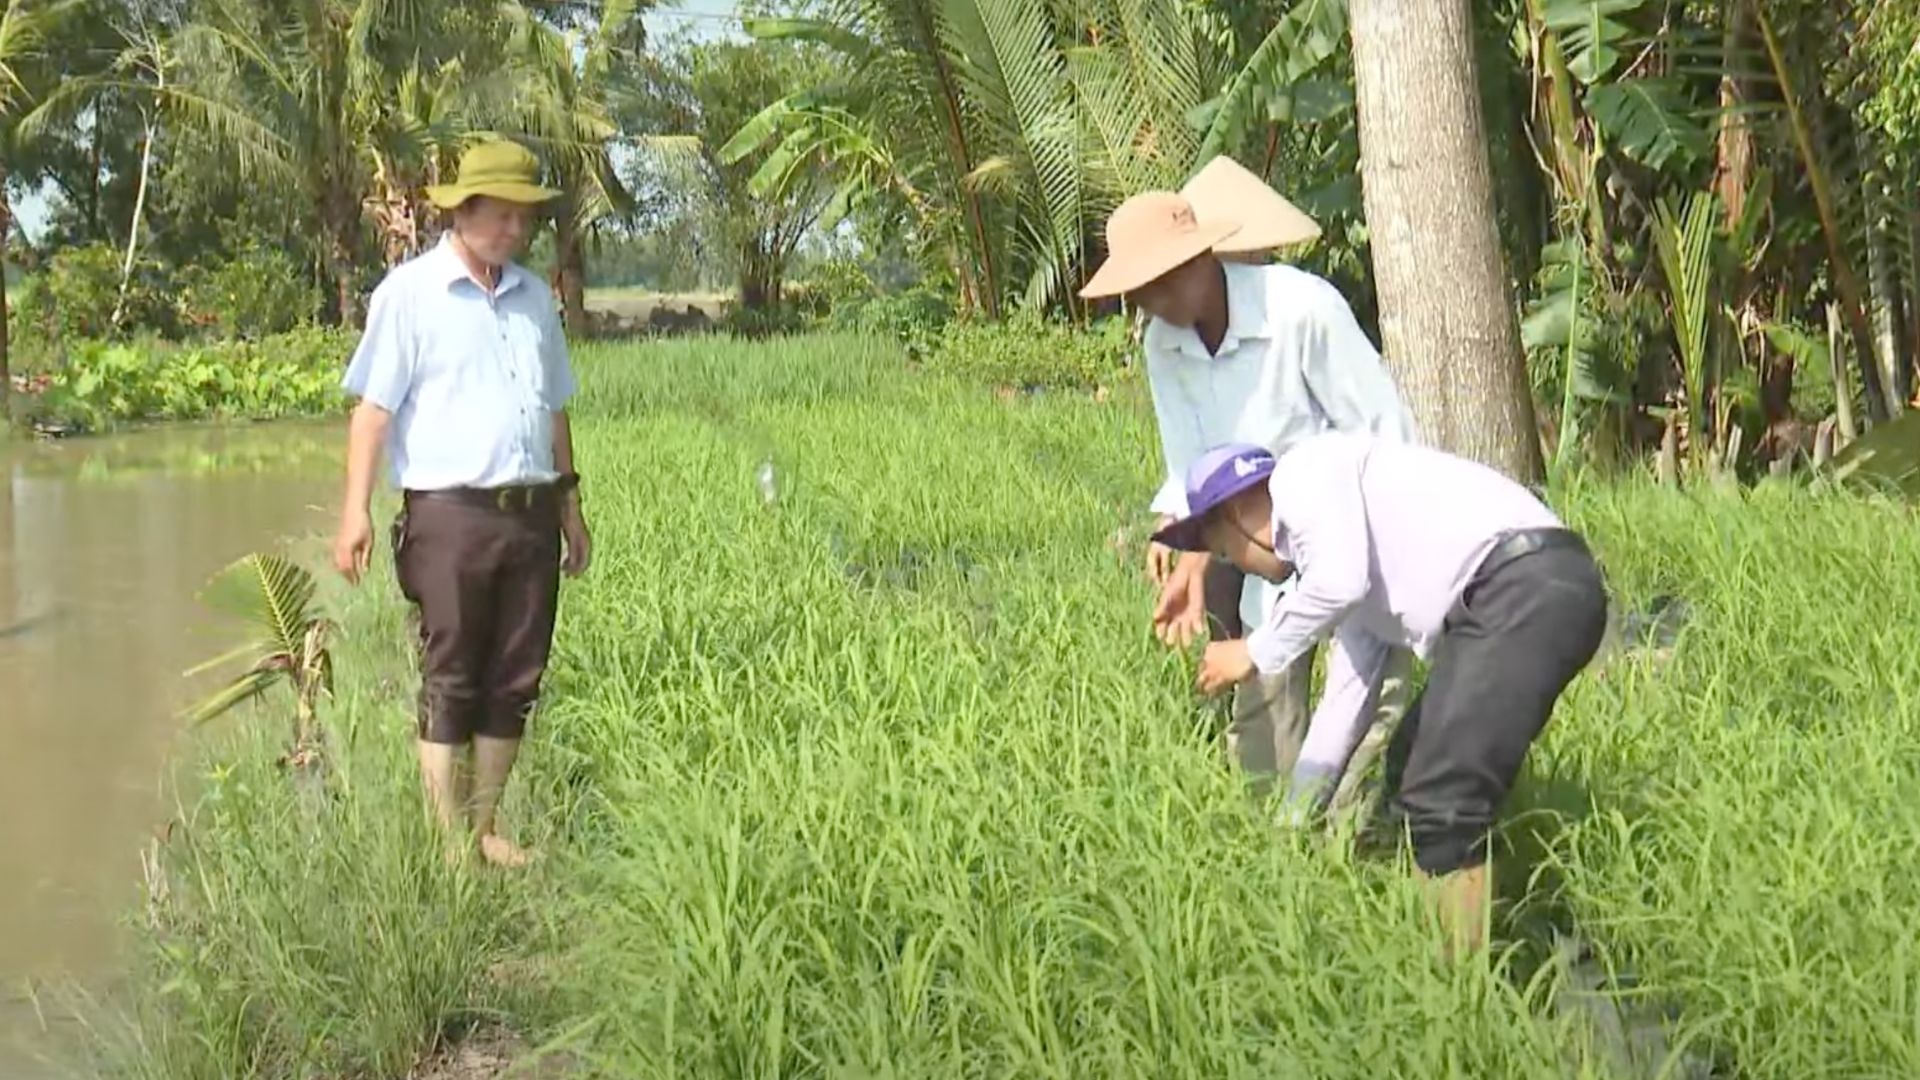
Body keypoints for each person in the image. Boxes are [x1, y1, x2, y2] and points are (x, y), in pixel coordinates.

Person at [1152, 436, 1609, 953]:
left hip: (1524, 585)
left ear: (1235, 511)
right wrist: (1292, 821)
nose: (1239, 565)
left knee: (1441, 796)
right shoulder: (1339, 548)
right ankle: (1509, 932)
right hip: (1512, 599)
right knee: (1411, 763)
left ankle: (1458, 991)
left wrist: (1252, 651)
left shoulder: (1303, 476)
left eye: (1224, 552)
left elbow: (1337, 585)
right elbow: (1347, 698)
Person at [1077, 169, 1417, 796]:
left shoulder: (1301, 311)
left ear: (1204, 256)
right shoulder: (1163, 345)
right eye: (1142, 290)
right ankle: (1282, 860)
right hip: (1263, 563)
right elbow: (1193, 466)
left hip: (1360, 543)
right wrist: (1191, 562)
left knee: (1365, 734)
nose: (1157, 300)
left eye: (1167, 278)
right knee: (1266, 755)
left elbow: (1383, 433)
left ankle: (1362, 854)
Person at [331, 139, 591, 868]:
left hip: (531, 510)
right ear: (464, 211)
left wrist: (570, 508)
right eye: (500, 215)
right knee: (452, 673)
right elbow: (372, 412)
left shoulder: (536, 298)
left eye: (524, 218)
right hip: (449, 514)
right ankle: (448, 844)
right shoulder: (410, 294)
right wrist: (354, 511)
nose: (513, 231)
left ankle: (486, 828)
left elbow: (555, 410)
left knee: (517, 675)